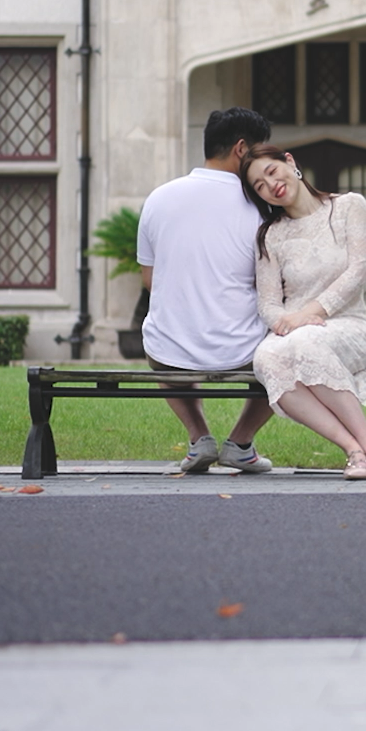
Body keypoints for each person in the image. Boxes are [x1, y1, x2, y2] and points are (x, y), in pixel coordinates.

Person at [239, 143, 366, 480]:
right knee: (265, 358)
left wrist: (308, 314)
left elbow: (358, 271)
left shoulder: (348, 207)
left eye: (271, 172)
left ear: (290, 162)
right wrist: (285, 324)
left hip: (345, 325)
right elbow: (267, 303)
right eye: (260, 186)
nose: (271, 185)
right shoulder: (270, 236)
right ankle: (353, 449)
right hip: (293, 332)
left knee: (308, 343)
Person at [136, 108, 276, 473]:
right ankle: (241, 442)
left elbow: (149, 280)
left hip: (172, 348)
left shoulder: (158, 198)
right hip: (243, 348)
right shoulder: (261, 205)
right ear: (242, 149)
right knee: (289, 358)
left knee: (157, 342)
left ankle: (200, 437)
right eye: (261, 153)